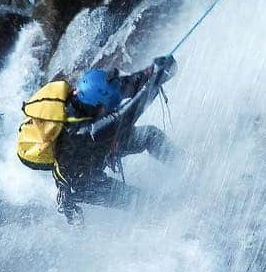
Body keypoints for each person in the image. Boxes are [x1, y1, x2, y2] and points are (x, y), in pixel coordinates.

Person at [53, 54, 176, 219]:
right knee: (139, 200)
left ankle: (187, 166)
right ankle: (174, 217)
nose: (111, 108)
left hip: (100, 150)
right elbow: (127, 115)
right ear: (97, 107)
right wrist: (154, 81)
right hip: (83, 181)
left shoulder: (89, 94)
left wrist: (153, 71)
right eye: (108, 107)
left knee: (149, 136)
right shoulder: (83, 131)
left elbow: (128, 85)